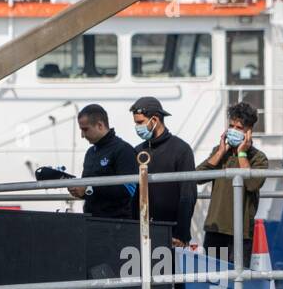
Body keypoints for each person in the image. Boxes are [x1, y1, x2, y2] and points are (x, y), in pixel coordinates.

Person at [196, 101, 270, 260]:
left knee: (237, 282)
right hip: (215, 229)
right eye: (231, 126)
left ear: (249, 131)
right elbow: (197, 177)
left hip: (241, 233)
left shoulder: (258, 158)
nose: (233, 130)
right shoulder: (220, 152)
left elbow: (253, 184)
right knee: (213, 279)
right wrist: (221, 151)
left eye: (239, 128)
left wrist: (242, 154)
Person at [130, 96, 196, 246]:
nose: (137, 127)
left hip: (171, 235)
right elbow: (133, 196)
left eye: (140, 122)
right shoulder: (137, 151)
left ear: (154, 120)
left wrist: (181, 234)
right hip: (141, 234)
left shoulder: (181, 150)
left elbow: (188, 195)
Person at [70, 104, 138, 219]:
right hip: (91, 220)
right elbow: (88, 189)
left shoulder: (123, 150)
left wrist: (88, 189)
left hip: (117, 223)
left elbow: (128, 190)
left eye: (85, 129)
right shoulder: (90, 152)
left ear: (100, 125)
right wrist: (78, 189)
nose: (82, 135)